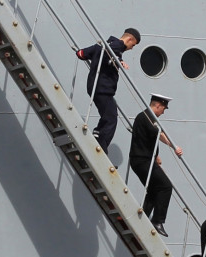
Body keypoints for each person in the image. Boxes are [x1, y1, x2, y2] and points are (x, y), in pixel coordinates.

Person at [76, 28, 141, 154]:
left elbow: (81, 53)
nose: (131, 48)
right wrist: (119, 61)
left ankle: (98, 134)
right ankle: (101, 146)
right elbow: (110, 54)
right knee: (111, 118)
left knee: (108, 115)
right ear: (129, 39)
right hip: (103, 89)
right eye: (133, 45)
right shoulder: (117, 46)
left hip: (94, 87)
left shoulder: (101, 45)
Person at [128, 94, 183, 237]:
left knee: (153, 190)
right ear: (157, 105)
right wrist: (174, 146)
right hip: (142, 161)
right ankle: (158, 220)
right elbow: (159, 134)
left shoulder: (146, 117)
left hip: (143, 159)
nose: (163, 112)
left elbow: (147, 139)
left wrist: (156, 155)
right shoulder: (147, 117)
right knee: (165, 186)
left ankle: (144, 217)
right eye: (163, 109)